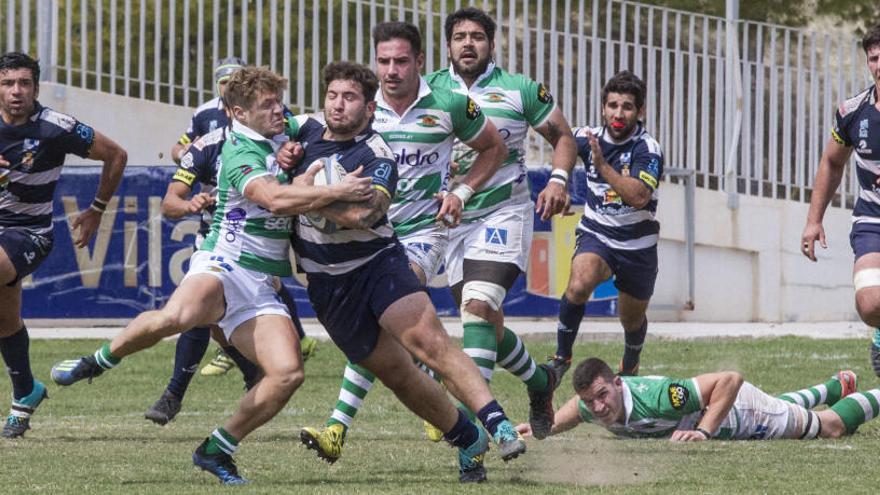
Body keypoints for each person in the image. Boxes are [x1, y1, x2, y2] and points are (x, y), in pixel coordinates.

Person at [49, 66, 373, 485]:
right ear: (238, 113)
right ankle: (98, 361)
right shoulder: (238, 151)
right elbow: (273, 200)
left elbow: (321, 122)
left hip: (262, 283)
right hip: (223, 261)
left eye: (279, 102)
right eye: (267, 106)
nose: (279, 111)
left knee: (289, 373)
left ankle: (218, 447)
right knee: (178, 317)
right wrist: (336, 190)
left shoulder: (284, 127)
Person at [289, 61, 526, 483]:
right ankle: (468, 438)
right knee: (397, 374)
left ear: (368, 107)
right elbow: (266, 132)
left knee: (428, 341)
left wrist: (308, 197)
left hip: (378, 264)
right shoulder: (303, 134)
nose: (338, 105)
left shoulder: (375, 153)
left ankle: (498, 422)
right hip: (327, 285)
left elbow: (365, 213)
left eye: (350, 98)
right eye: (332, 96)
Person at [425, 6, 578, 441]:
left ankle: (471, 426)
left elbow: (562, 137)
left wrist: (559, 179)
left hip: (503, 213)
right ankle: (539, 381)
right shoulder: (427, 90)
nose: (468, 43)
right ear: (448, 45)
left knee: (476, 308)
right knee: (485, 321)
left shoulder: (520, 89)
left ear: (491, 44)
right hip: (449, 221)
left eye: (477, 36)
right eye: (460, 36)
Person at [0, 52, 127, 438]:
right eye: (7, 83)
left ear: (36, 88)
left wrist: (96, 210)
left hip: (29, 234)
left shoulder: (57, 128)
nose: (16, 91)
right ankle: (26, 393)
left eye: (24, 83)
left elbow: (116, 155)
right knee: (5, 322)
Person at [169, 57, 317, 380]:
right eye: (224, 83)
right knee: (195, 313)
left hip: (268, 235)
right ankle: (175, 391)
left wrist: (290, 150)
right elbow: (173, 180)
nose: (229, 87)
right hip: (219, 236)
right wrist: (189, 191)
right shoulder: (205, 128)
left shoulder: (273, 116)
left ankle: (262, 351)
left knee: (265, 286)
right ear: (230, 103)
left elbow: (298, 133)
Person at [546, 71, 664, 392]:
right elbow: (562, 140)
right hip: (598, 233)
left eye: (627, 107)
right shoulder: (589, 136)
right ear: (602, 108)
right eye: (612, 105)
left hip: (638, 244)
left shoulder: (648, 149)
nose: (618, 113)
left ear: (640, 112)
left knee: (631, 319)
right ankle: (561, 358)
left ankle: (630, 364)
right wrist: (562, 180)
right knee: (580, 282)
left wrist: (602, 165)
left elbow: (639, 196)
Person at [516, 357, 875, 443]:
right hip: (737, 409)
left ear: (619, 384)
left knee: (831, 426)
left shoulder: (659, 398)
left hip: (741, 413)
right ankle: (835, 386)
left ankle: (849, 398)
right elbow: (573, 412)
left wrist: (703, 432)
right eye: (590, 401)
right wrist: (540, 429)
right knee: (780, 401)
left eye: (602, 396)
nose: (597, 407)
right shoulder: (593, 405)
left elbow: (730, 380)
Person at [801, 24, 880, 376]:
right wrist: (813, 220)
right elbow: (832, 161)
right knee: (870, 302)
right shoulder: (852, 111)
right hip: (872, 220)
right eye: (874, 58)